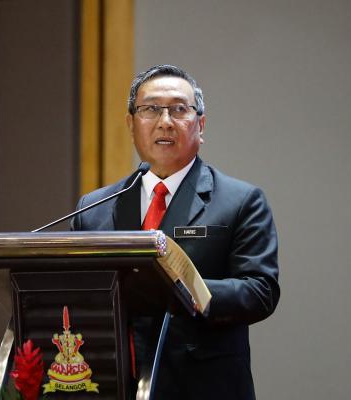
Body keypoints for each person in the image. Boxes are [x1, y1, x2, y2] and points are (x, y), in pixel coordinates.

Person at [72, 64, 279, 400]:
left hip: (203, 386)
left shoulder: (241, 201)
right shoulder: (93, 209)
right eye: (151, 109)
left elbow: (260, 291)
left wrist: (184, 290)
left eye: (179, 109)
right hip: (114, 384)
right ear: (131, 124)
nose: (165, 121)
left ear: (201, 124)